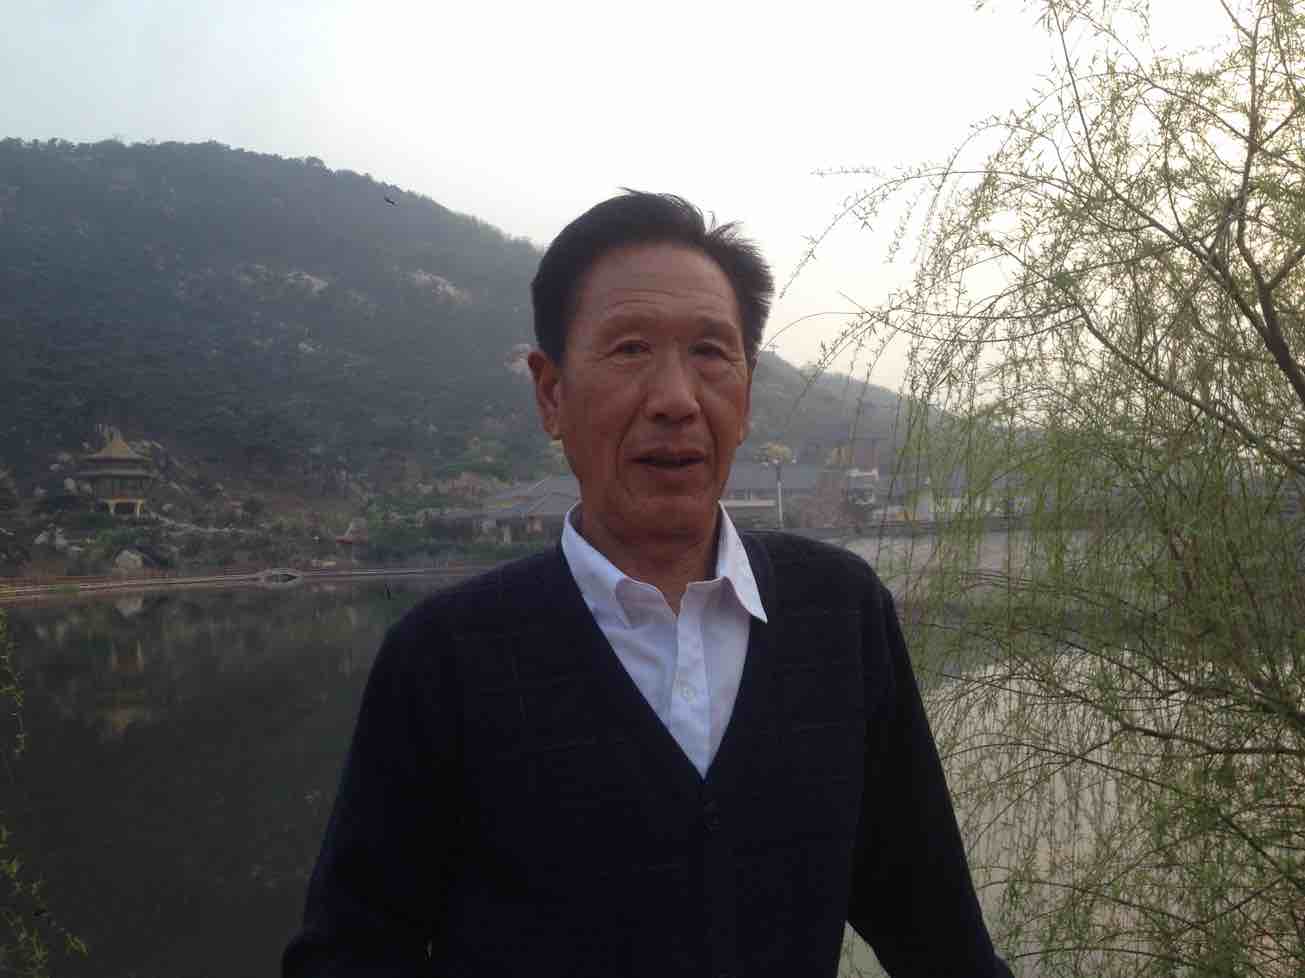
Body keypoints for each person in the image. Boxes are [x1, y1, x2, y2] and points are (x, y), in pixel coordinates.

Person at [282, 191, 1012, 978]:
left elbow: (934, 926)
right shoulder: (442, 659)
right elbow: (352, 954)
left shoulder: (840, 612)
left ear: (746, 393)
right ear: (551, 394)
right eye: (630, 349)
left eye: (710, 353)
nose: (675, 400)